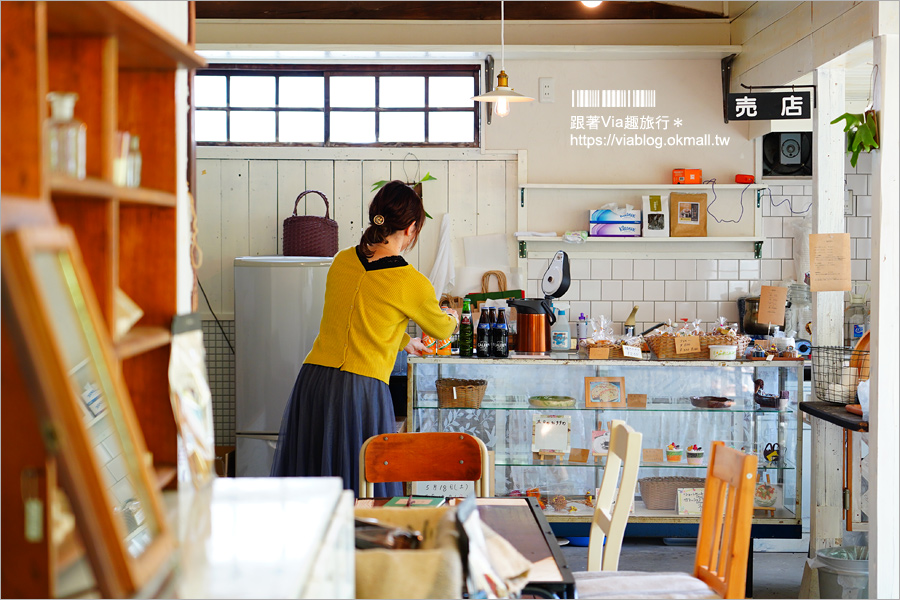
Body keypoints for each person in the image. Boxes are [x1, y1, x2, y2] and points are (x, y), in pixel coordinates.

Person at [270, 180, 459, 497]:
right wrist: (452, 315)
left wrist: (403, 341)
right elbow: (441, 329)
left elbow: (357, 316)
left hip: (314, 382)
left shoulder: (342, 261)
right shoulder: (410, 281)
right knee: (364, 487)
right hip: (360, 390)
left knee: (317, 488)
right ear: (411, 229)